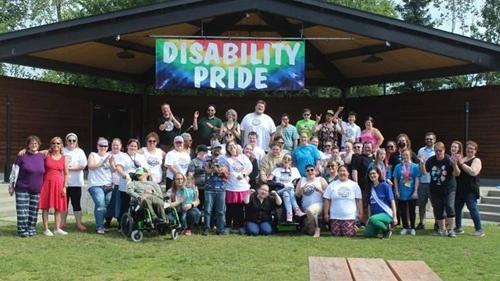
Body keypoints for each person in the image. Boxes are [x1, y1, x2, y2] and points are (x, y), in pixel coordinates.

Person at [420, 142, 460, 238]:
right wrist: (422, 164)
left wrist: (455, 165)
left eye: (440, 151)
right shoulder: (431, 160)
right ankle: (442, 230)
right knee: (438, 209)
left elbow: (457, 173)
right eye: (436, 151)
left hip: (449, 189)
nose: (438, 153)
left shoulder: (449, 160)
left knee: (450, 207)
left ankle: (451, 229)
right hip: (435, 189)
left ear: (444, 150)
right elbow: (424, 173)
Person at [9, 136, 45, 238]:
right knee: (22, 210)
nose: (34, 145)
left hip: (36, 188)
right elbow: (14, 171)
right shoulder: (22, 156)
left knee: (33, 211)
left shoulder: (42, 156)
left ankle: (31, 229)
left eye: (36, 144)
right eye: (31, 143)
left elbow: (53, 149)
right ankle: (22, 230)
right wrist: (11, 186)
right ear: (28, 145)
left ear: (39, 145)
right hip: (22, 187)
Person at [39, 136, 69, 236]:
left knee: (58, 207)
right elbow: (34, 152)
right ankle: (46, 229)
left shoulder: (64, 158)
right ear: (51, 145)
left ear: (61, 145)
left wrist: (65, 186)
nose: (56, 145)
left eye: (58, 143)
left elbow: (66, 173)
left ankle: (57, 228)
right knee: (45, 207)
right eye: (54, 143)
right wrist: (24, 150)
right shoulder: (46, 154)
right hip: (47, 183)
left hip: (59, 184)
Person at [323, 165, 363, 237]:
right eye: (340, 171)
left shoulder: (354, 185)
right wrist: (326, 213)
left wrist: (361, 213)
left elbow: (358, 200)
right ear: (338, 173)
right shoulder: (332, 185)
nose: (342, 173)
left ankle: (354, 228)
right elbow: (327, 200)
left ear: (348, 173)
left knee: (348, 234)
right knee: (335, 234)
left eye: (344, 171)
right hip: (335, 216)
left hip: (349, 216)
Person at [115, 138, 149, 223]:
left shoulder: (141, 157)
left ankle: (137, 221)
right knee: (125, 204)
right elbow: (119, 168)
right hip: (126, 183)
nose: (133, 148)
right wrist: (124, 175)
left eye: (135, 146)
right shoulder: (122, 156)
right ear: (127, 146)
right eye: (131, 146)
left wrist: (145, 177)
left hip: (139, 184)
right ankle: (122, 224)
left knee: (139, 203)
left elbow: (147, 169)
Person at [222, 140, 252, 234]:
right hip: (230, 187)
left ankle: (241, 226)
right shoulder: (224, 158)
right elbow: (221, 169)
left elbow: (249, 168)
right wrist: (224, 175)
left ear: (237, 146)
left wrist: (243, 174)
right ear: (227, 148)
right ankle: (227, 226)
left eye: (233, 145)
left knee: (240, 208)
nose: (232, 147)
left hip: (242, 187)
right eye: (229, 146)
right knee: (230, 208)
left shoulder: (243, 157)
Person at [87, 138, 116, 234]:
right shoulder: (93, 155)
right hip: (95, 184)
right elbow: (91, 166)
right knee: (100, 203)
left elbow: (113, 170)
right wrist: (103, 162)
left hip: (108, 185)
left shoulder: (110, 156)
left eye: (105, 146)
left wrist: (111, 163)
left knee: (105, 205)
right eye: (101, 145)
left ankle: (101, 224)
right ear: (97, 146)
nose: (103, 148)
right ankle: (99, 227)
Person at [455, 141, 484, 236]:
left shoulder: (476, 160)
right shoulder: (462, 159)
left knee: (472, 208)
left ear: (475, 151)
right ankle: (458, 227)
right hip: (459, 188)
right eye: (468, 148)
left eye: (472, 149)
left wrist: (462, 164)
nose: (469, 150)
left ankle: (479, 229)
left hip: (470, 189)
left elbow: (473, 172)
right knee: (457, 209)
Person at [202, 141, 230, 235]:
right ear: (212, 150)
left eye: (218, 148)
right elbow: (207, 170)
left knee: (220, 210)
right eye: (215, 148)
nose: (217, 150)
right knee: (207, 210)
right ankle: (206, 228)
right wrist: (217, 170)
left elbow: (227, 175)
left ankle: (220, 228)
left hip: (221, 188)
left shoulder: (224, 161)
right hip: (209, 187)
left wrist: (221, 171)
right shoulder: (207, 160)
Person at [61, 133, 87, 232]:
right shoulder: (62, 150)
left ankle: (79, 223)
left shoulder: (80, 152)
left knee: (76, 203)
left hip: (76, 182)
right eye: (69, 140)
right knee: (64, 203)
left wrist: (69, 168)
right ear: (66, 141)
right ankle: (62, 223)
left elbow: (82, 165)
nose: (71, 142)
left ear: (76, 142)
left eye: (73, 140)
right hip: (64, 182)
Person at [363, 168, 397, 240]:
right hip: (375, 217)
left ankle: (387, 230)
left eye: (374, 173)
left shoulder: (384, 185)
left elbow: (392, 201)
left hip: (386, 214)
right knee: (367, 234)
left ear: (378, 174)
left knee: (373, 219)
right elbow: (369, 205)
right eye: (370, 174)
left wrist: (395, 217)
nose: (372, 175)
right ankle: (380, 228)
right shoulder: (369, 188)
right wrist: (369, 218)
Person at [268, 154, 303, 222]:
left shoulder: (294, 170)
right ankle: (296, 209)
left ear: (291, 162)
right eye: (285, 158)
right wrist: (277, 183)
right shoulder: (277, 170)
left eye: (289, 159)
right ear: (282, 160)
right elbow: (269, 180)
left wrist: (296, 183)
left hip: (291, 192)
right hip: (279, 190)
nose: (286, 160)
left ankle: (289, 216)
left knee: (286, 194)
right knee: (289, 188)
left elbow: (299, 181)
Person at [295, 164, 328, 237]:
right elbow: (297, 195)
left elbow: (328, 195)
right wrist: (301, 190)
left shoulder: (320, 179)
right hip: (305, 207)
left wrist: (319, 190)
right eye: (308, 170)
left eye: (312, 170)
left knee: (311, 210)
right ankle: (312, 227)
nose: (310, 172)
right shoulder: (302, 180)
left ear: (315, 171)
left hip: (319, 204)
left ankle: (317, 228)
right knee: (310, 232)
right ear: (305, 172)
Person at [393, 149, 420, 236]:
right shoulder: (398, 166)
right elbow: (395, 179)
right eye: (403, 155)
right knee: (402, 211)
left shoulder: (415, 166)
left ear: (410, 156)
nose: (405, 157)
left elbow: (416, 178)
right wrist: (396, 190)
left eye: (407, 155)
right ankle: (405, 227)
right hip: (401, 192)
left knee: (412, 210)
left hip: (412, 191)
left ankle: (412, 227)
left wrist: (416, 191)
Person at [416, 132, 436, 230]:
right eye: (427, 139)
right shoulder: (421, 151)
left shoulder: (436, 151)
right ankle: (421, 222)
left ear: (434, 140)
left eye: (430, 139)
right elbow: (418, 165)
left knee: (435, 204)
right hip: (423, 181)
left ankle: (437, 223)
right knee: (421, 204)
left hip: (433, 182)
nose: (429, 140)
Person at [104, 138, 125, 229]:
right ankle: (107, 221)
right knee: (108, 203)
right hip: (107, 182)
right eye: (114, 145)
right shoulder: (106, 154)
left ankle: (120, 221)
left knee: (118, 203)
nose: (115, 146)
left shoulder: (124, 156)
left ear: (121, 146)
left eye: (117, 145)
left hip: (119, 182)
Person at [188, 144, 208, 209]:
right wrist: (192, 186)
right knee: (198, 206)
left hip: (209, 187)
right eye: (204, 151)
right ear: (199, 152)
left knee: (208, 207)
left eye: (206, 151)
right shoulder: (194, 162)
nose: (205, 153)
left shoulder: (209, 161)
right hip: (198, 187)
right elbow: (190, 175)